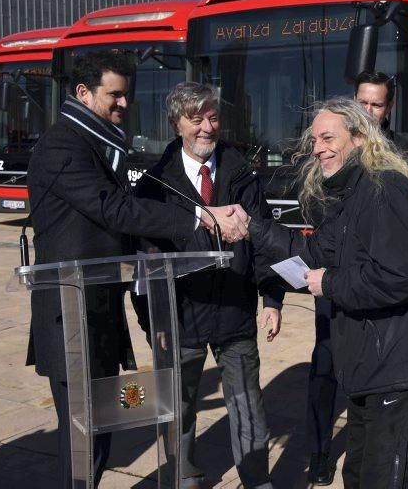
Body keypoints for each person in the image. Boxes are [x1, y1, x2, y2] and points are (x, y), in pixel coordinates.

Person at [25, 52, 246, 487]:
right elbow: (112, 208)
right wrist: (197, 217)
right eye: (116, 94)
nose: (124, 104)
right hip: (70, 315)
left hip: (98, 311)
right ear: (83, 93)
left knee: (101, 431)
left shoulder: (98, 143)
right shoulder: (63, 145)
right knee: (80, 443)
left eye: (127, 95)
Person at [241, 98, 408, 488]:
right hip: (371, 373)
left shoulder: (384, 189)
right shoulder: (351, 195)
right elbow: (311, 256)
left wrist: (331, 284)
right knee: (359, 478)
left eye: (327, 137)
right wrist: (252, 227)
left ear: (359, 137)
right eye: (314, 140)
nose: (318, 148)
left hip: (401, 377)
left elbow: (403, 275)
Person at [133, 82, 282, 489]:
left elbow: (265, 239)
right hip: (180, 321)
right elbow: (143, 265)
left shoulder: (241, 172)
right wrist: (154, 326)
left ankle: (256, 479)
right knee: (176, 408)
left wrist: (272, 298)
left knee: (247, 405)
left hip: (234, 314)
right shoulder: (154, 182)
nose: (206, 128)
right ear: (176, 124)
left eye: (213, 117)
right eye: (195, 119)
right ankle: (184, 478)